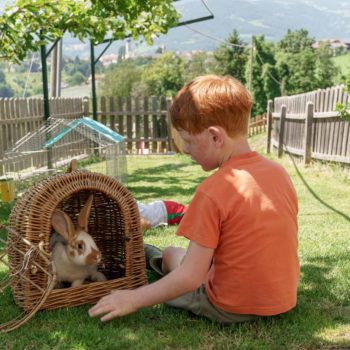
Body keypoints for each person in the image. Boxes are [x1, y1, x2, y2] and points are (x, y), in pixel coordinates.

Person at [89, 74, 299, 324]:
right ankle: (152, 255)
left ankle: (149, 254)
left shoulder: (213, 190)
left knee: (171, 256)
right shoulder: (279, 173)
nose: (186, 150)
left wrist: (133, 299)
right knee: (178, 257)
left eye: (188, 141)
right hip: (282, 301)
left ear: (215, 137)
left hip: (230, 308)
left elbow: (189, 277)